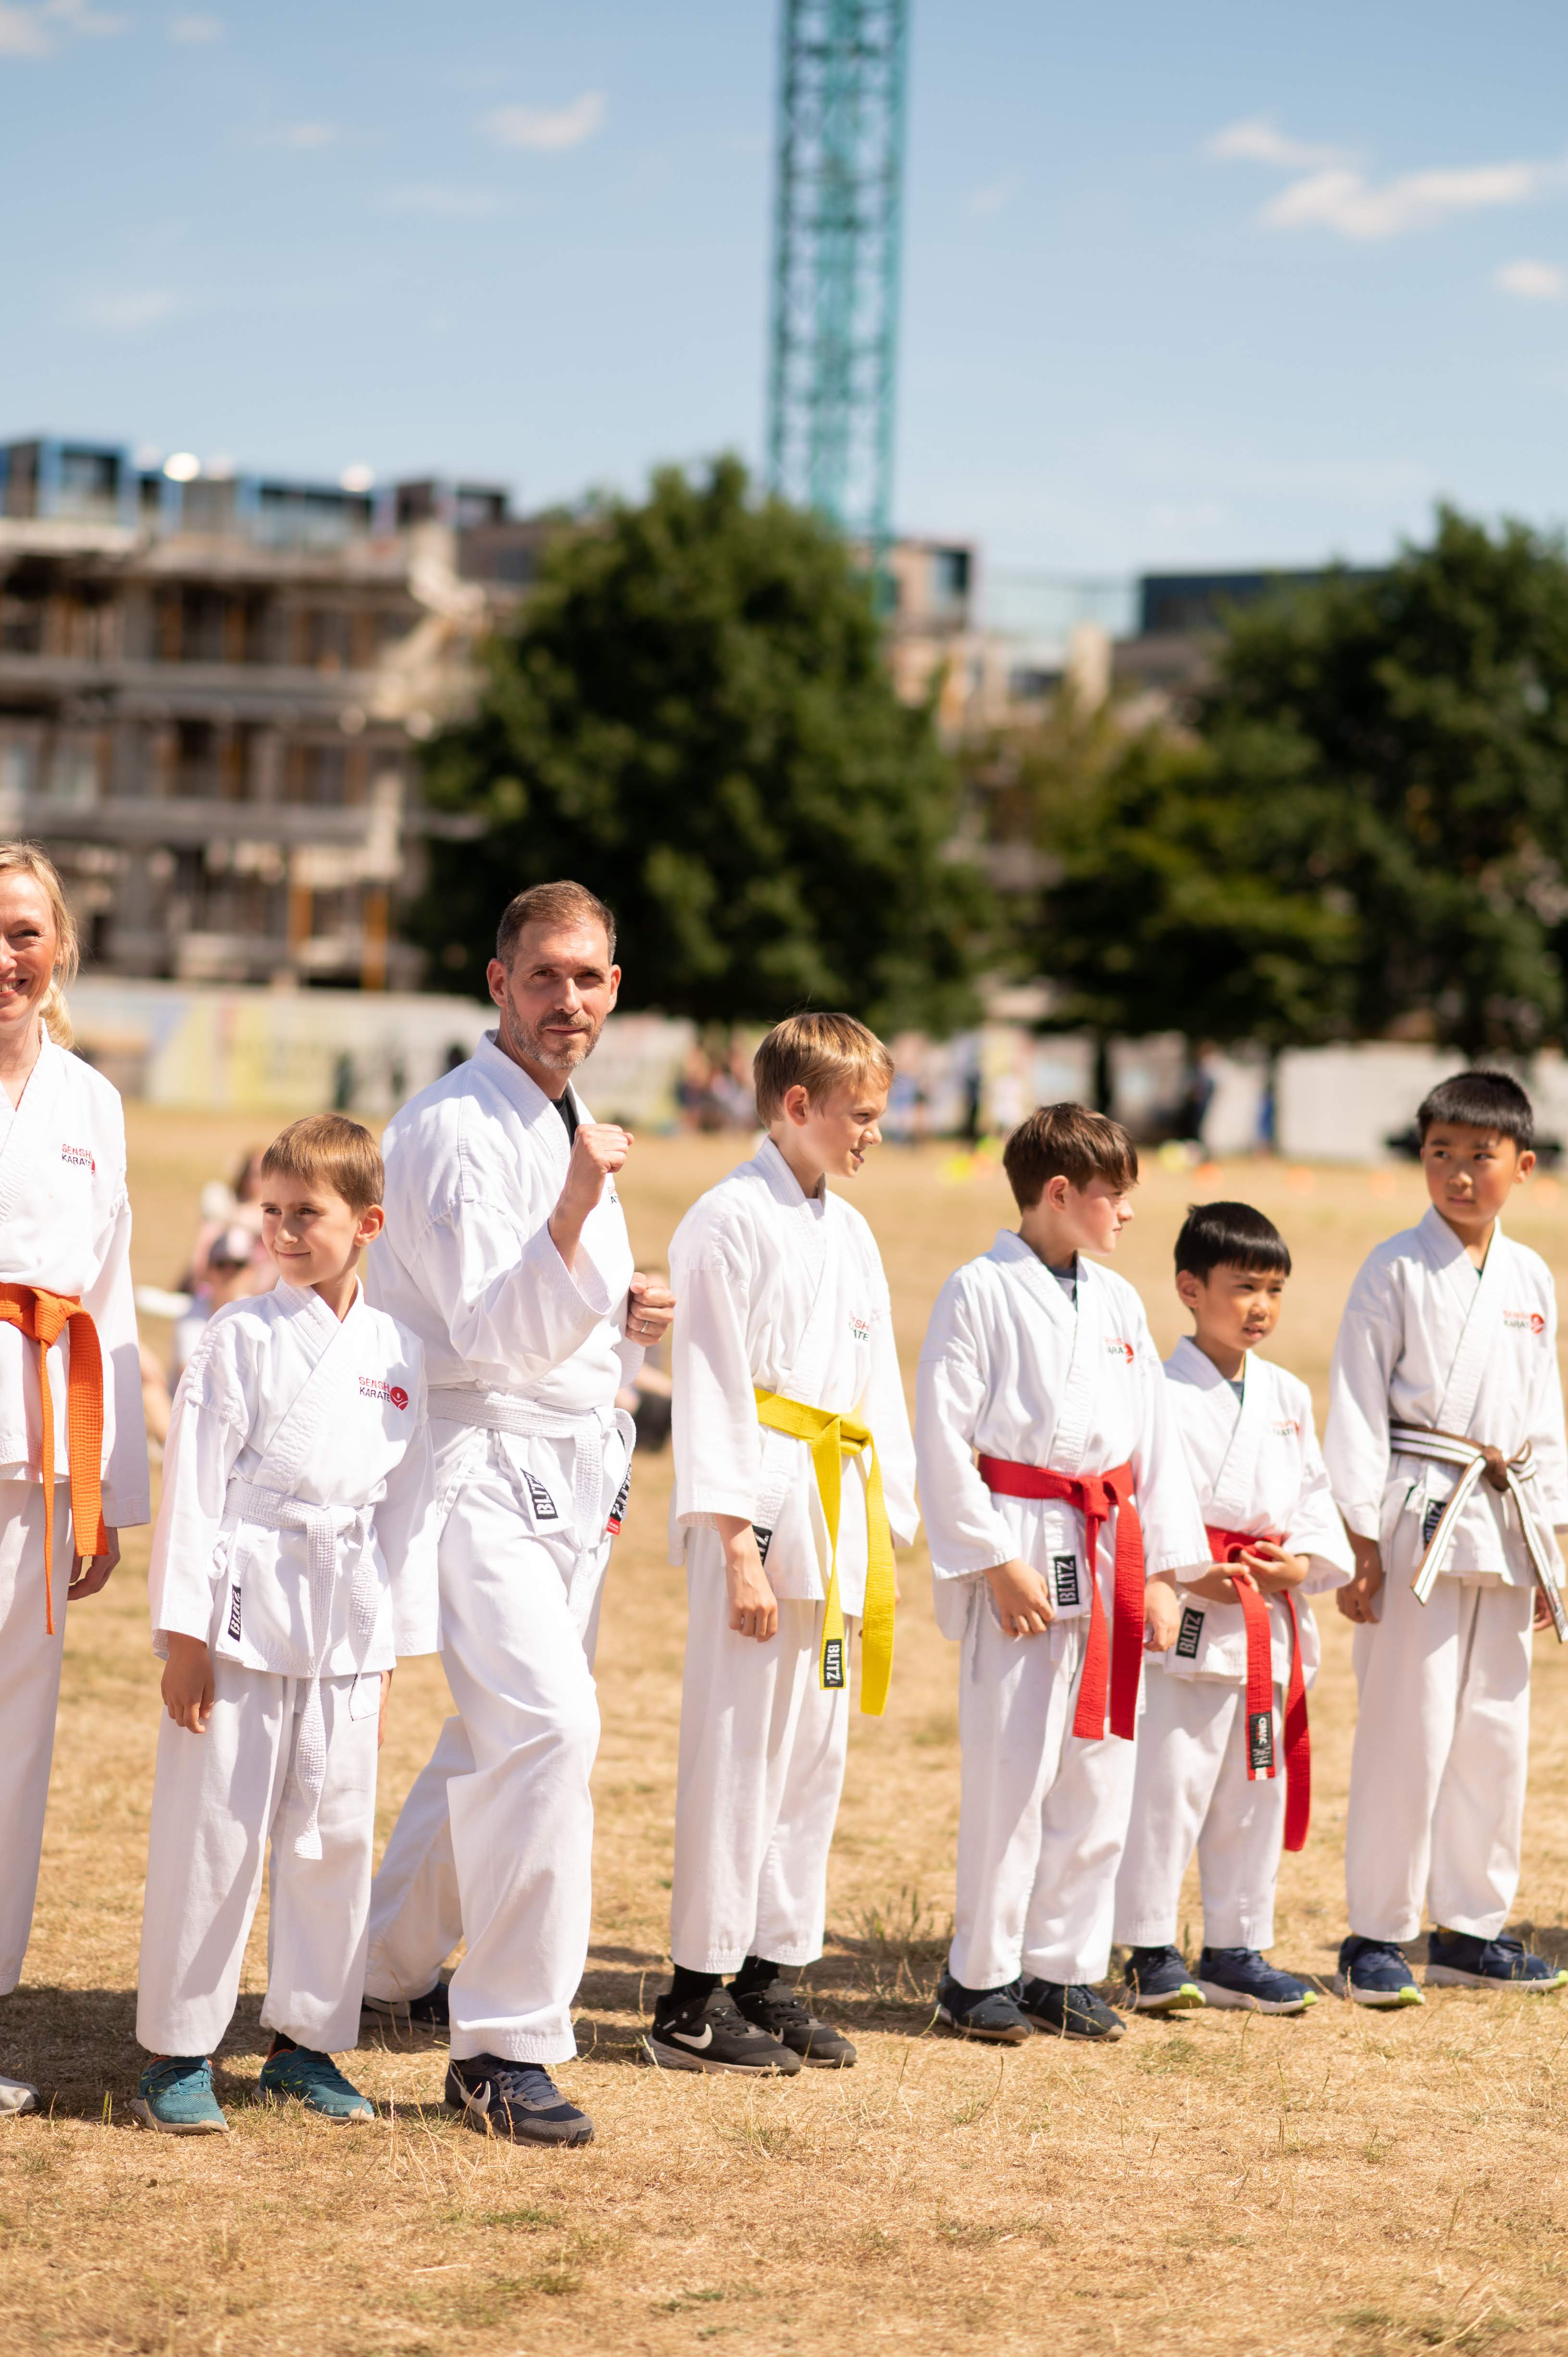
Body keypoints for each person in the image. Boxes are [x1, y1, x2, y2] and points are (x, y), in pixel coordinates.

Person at [360, 880, 674, 2147]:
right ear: (497, 982)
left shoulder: (567, 1113)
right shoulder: (451, 1128)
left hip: (569, 1468)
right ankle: (502, 2045)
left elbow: (562, 1302)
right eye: (544, 975)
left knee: (495, 1738)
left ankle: (385, 1967)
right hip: (474, 1464)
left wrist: (629, 1311)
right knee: (547, 1728)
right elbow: (492, 1331)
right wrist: (580, 1210)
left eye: (589, 977)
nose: (568, 1000)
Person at [131, 1116, 438, 2134]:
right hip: (242, 1607)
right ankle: (179, 2049)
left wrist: (388, 1647)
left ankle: (306, 2042)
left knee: (333, 1831)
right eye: (272, 1212)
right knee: (214, 1828)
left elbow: (406, 1509)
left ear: (368, 1225)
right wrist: (185, 1638)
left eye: (308, 1213)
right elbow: (194, 1490)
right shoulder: (238, 1335)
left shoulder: (398, 1350)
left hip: (346, 1617)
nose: (284, 1232)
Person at [645, 1015, 918, 2075]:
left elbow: (875, 1385)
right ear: (797, 1106)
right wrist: (735, 1548)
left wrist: (885, 1524)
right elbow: (711, 1386)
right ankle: (692, 1996)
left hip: (834, 1510)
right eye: (862, 1115)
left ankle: (771, 1972)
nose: (874, 1134)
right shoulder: (726, 1219)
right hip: (757, 1506)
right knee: (736, 1755)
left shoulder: (849, 1230)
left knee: (812, 1755)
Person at [915, 1103, 1207, 2045]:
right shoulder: (977, 1290)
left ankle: (1063, 1966)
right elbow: (940, 1438)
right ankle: (978, 1975)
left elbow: (1155, 1446)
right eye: (1112, 1194)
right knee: (1013, 1769)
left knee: (1100, 1767)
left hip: (1110, 1546)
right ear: (1056, 1193)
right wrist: (991, 1559)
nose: (1127, 1211)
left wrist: (1161, 1573)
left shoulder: (1118, 1302)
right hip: (1019, 1537)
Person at [1326, 1069, 1568, 2007]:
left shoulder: (1530, 1276)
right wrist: (1358, 1540)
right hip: (1419, 1512)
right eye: (1440, 1153)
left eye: (1479, 1156)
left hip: (1505, 1520)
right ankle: (1375, 1932)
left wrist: (1551, 1545)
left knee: (1493, 1733)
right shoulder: (1392, 1267)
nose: (1459, 1174)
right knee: (1407, 1727)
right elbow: (1355, 1405)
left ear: (1523, 1166)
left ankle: (1470, 1929)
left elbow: (1543, 1419)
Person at [1114, 1202, 1352, 2016]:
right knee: (1167, 1786)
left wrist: (1303, 1564)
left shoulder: (1286, 1392)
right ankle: (1147, 1948)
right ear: (1190, 1288)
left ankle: (1235, 1947)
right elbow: (1137, 1494)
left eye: (1274, 1290)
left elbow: (1313, 1496)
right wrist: (1182, 1569)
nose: (1260, 1307)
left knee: (1256, 1785)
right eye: (1243, 1287)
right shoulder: (1154, 1387)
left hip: (1263, 1615)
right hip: (1187, 1607)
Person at [0, 844, 147, 2119]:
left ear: (61, 949)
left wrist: (107, 1490)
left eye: (24, 933)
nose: (7, 957)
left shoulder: (93, 1101)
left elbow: (112, 1296)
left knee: (17, 1735)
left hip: (47, 1446)